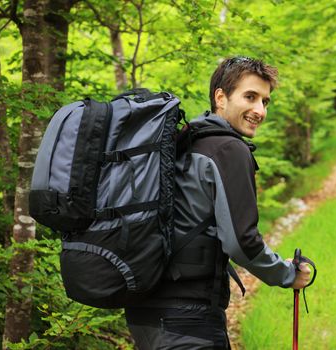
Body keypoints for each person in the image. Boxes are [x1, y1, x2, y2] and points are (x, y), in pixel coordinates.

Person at [124, 56, 312, 349]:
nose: (260, 110)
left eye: (265, 101)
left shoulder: (186, 139)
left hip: (144, 313)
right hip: (189, 320)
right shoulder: (229, 149)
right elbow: (242, 242)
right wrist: (287, 275)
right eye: (250, 97)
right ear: (221, 97)